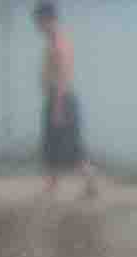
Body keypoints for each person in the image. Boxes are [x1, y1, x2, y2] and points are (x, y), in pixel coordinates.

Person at [36, 0, 95, 195]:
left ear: (49, 20)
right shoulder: (54, 42)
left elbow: (62, 75)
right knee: (51, 143)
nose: (38, 26)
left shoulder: (59, 44)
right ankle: (52, 184)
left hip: (61, 98)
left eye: (40, 21)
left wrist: (58, 107)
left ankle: (89, 180)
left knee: (70, 145)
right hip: (57, 98)